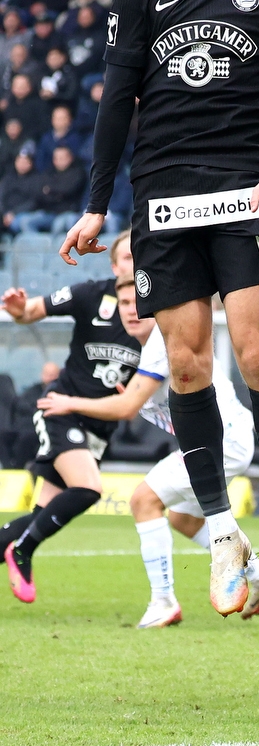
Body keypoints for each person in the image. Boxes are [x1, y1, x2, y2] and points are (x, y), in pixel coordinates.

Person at [60, 0, 259, 618]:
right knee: (188, 366)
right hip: (164, 197)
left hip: (248, 191)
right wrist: (97, 203)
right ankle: (222, 530)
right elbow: (116, 99)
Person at [37, 271, 259, 628]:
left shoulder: (161, 342)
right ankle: (258, 574)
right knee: (182, 518)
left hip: (222, 440)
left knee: (143, 501)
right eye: (123, 303)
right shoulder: (146, 349)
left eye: (137, 301)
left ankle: (163, 601)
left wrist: (69, 403)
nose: (131, 310)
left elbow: (126, 408)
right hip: (227, 437)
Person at [0, 232, 142, 602]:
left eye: (139, 254)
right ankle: (22, 552)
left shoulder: (159, 310)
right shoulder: (91, 295)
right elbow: (30, 312)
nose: (133, 263)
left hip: (99, 426)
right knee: (88, 488)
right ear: (114, 266)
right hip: (61, 409)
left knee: (41, 516)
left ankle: (14, 544)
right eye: (126, 257)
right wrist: (18, 309)